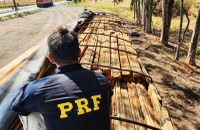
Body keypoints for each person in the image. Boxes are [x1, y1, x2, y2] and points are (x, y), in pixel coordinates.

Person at [11, 26, 112, 130]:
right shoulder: (102, 80)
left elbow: (17, 107)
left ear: (50, 57)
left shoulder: (38, 89)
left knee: (30, 110)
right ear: (79, 53)